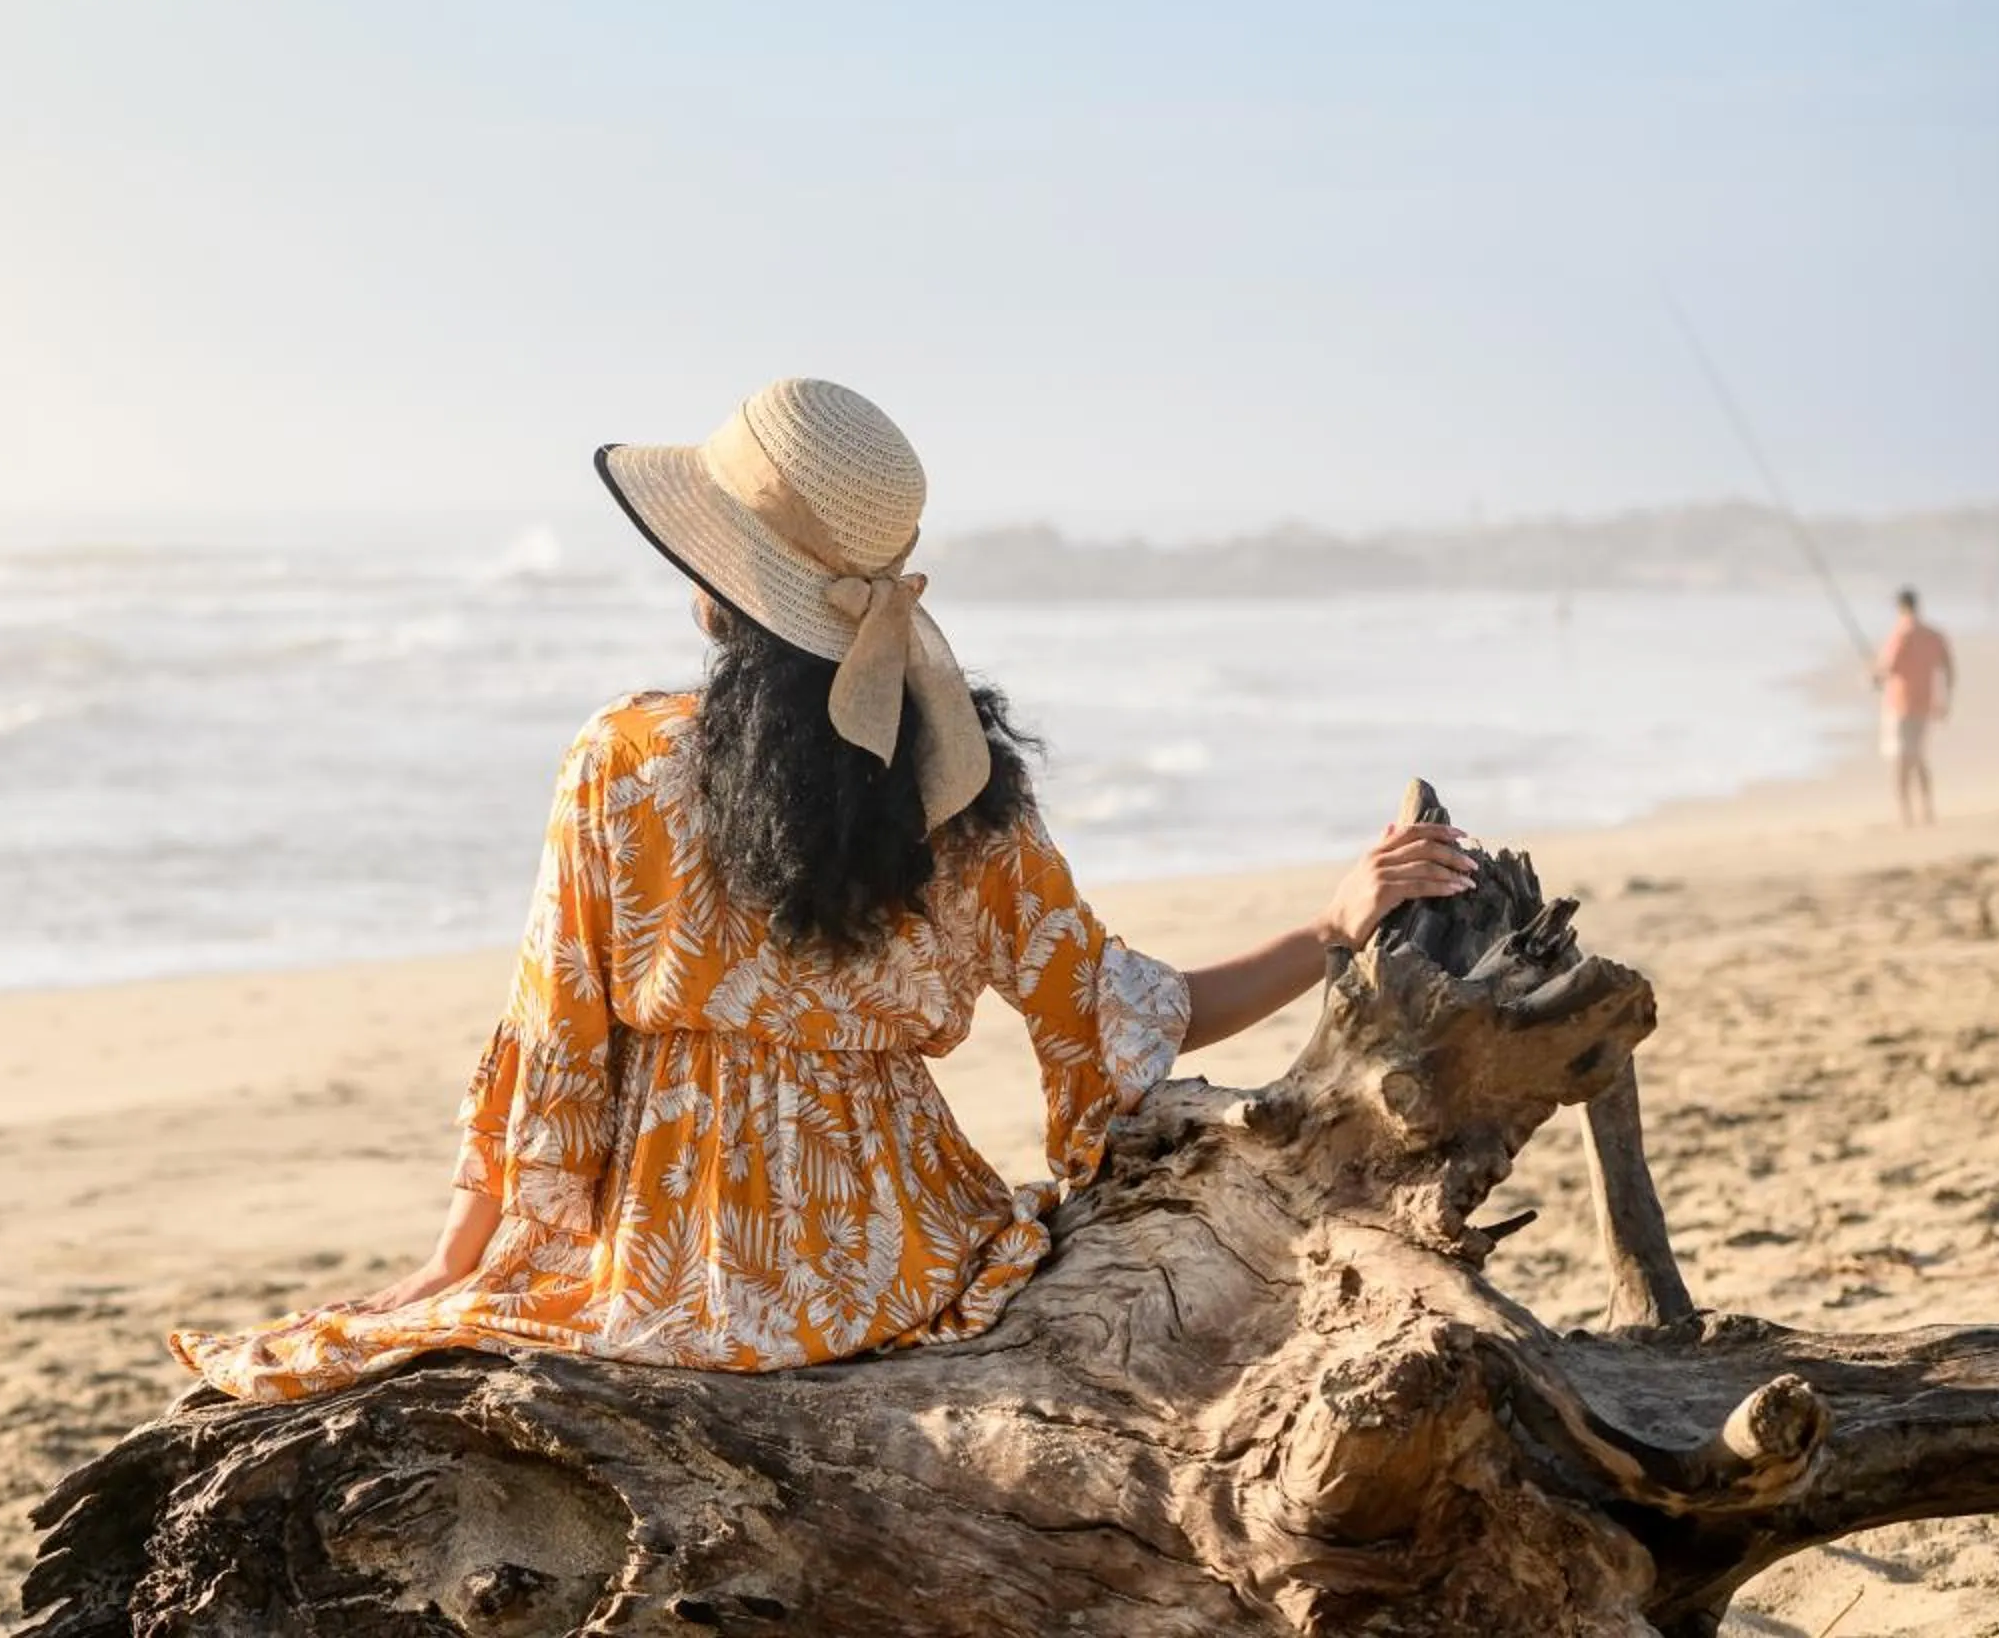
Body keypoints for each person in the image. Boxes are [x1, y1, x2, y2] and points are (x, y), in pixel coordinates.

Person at [168, 378, 1476, 1402]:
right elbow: (1128, 1012)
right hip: (899, 1263)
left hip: (667, 1269)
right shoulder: (962, 796)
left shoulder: (617, 760)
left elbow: (551, 1040)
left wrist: (455, 1266)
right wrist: (1331, 926)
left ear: (725, 578)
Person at [1874, 586, 1956, 826]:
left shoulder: (1901, 635)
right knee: (1919, 758)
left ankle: (1905, 814)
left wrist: (1872, 674)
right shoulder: (1933, 635)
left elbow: (1886, 669)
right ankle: (1927, 810)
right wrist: (1945, 700)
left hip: (1900, 705)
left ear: (1900, 607)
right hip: (1925, 703)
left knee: (1901, 761)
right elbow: (1949, 669)